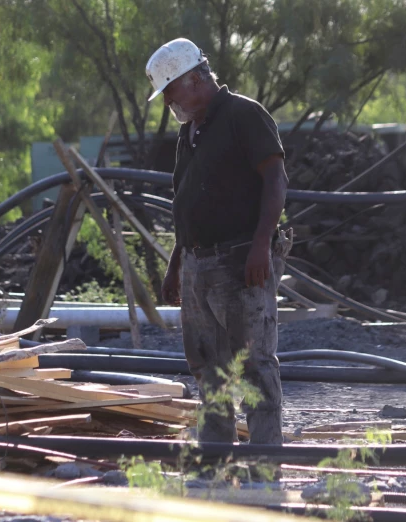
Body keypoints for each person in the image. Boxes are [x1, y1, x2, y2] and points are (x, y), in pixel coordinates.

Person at [145, 38, 292, 445]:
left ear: (194, 79)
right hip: (197, 264)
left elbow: (276, 181)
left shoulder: (244, 115)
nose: (169, 101)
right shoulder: (190, 131)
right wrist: (177, 263)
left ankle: (265, 466)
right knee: (208, 365)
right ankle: (214, 460)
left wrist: (261, 244)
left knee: (253, 366)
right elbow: (187, 201)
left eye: (171, 90)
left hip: (240, 259)